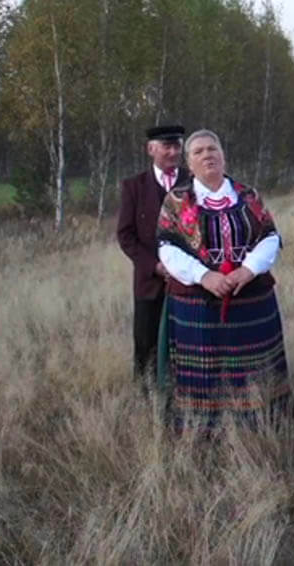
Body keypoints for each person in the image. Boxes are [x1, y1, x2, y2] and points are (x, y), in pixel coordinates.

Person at [156, 129, 289, 434]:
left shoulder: (248, 195)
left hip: (251, 304)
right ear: (189, 163)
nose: (207, 155)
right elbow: (167, 247)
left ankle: (261, 430)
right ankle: (202, 436)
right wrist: (204, 276)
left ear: (223, 154)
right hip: (198, 307)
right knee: (203, 376)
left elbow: (270, 237)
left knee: (254, 373)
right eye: (199, 151)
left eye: (212, 149)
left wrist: (248, 269)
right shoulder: (177, 201)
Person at [117, 125, 189, 392]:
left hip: (189, 282)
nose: (172, 152)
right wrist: (155, 266)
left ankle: (182, 394)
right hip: (149, 284)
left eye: (177, 146)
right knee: (146, 344)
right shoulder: (133, 187)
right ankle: (146, 398)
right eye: (166, 146)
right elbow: (125, 236)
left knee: (185, 342)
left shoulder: (193, 181)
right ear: (151, 149)